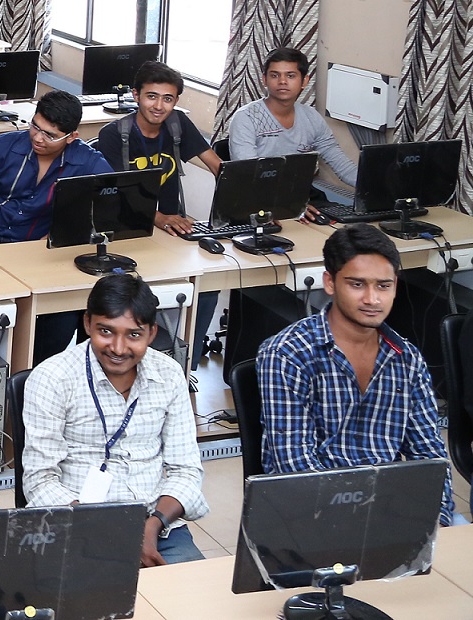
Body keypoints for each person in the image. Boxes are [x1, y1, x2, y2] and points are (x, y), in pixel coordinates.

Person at [258, 223, 456, 525]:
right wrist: (360, 528)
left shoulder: (406, 358)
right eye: (357, 284)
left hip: (388, 511)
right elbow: (296, 468)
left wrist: (436, 521)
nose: (372, 299)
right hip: (310, 516)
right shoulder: (288, 353)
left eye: (383, 286)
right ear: (330, 283)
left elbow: (430, 457)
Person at [21, 274, 207, 565]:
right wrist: (104, 529)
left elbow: (186, 470)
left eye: (134, 335)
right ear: (87, 324)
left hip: (156, 526)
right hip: (76, 524)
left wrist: (153, 525)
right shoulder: (52, 379)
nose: (118, 348)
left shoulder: (169, 374)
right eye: (106, 331)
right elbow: (39, 480)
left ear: (152, 334)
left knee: (196, 593)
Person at [93, 60, 222, 238]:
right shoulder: (113, 134)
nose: (159, 106)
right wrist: (159, 218)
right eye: (152, 96)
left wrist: (237, 207)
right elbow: (116, 192)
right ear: (136, 95)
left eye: (167, 99)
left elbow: (218, 167)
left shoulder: (178, 122)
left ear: (176, 101)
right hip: (126, 223)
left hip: (170, 225)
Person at [0, 90, 111, 246]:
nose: (37, 138)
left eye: (49, 135)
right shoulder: (2, 147)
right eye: (35, 126)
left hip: (39, 248)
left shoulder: (88, 162)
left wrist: (57, 236)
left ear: (71, 137)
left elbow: (111, 204)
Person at [226, 46, 359, 187]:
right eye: (274, 75)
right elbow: (248, 173)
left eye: (290, 76)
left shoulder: (311, 118)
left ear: (304, 81)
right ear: (264, 80)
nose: (282, 81)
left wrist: (370, 184)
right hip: (257, 192)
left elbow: (343, 166)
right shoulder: (246, 118)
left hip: (295, 190)